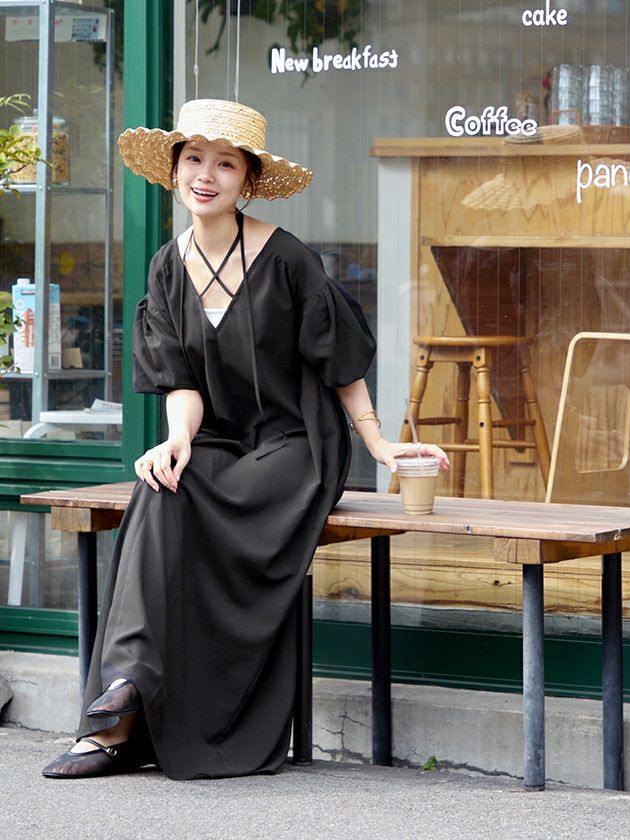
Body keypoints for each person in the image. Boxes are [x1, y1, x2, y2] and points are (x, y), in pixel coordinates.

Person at [42, 99, 449, 780]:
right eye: (194, 159)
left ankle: (123, 716)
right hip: (222, 442)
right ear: (174, 170)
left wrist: (379, 446)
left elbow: (339, 364)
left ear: (248, 180)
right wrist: (177, 440)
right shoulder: (166, 268)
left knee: (188, 501)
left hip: (297, 444)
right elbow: (180, 381)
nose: (206, 175)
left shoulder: (286, 258)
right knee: (161, 486)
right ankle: (126, 692)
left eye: (225, 164)